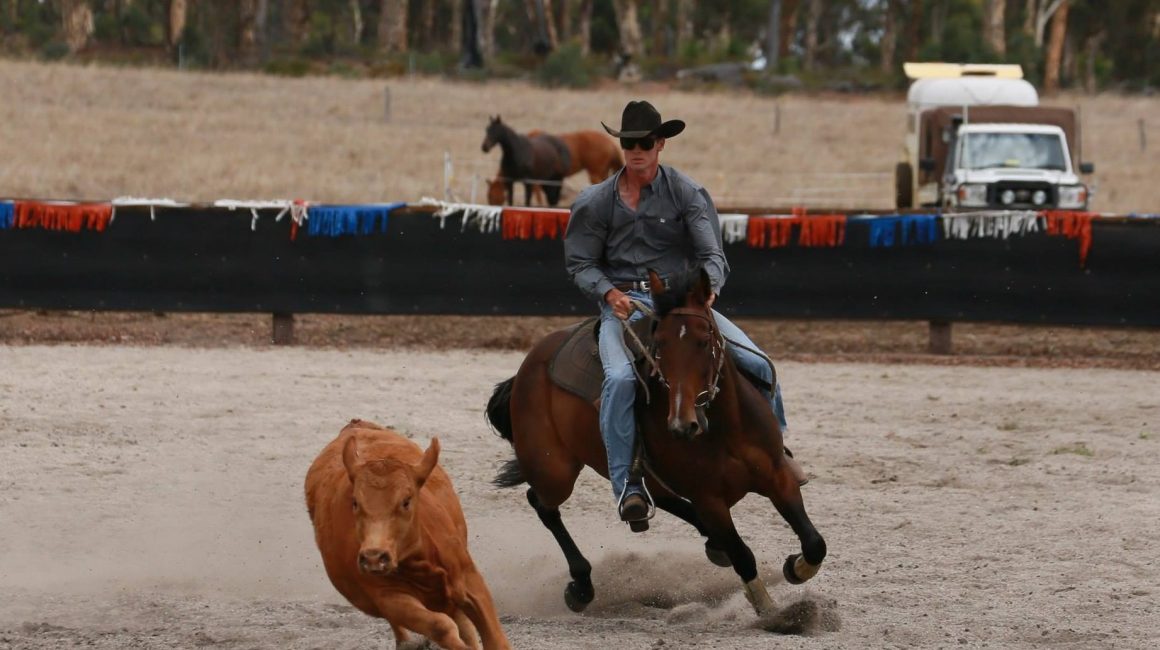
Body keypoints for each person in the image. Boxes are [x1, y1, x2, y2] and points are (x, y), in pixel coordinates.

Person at [563, 100, 808, 525]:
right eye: (628, 143)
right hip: (624, 308)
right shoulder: (594, 201)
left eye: (644, 142)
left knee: (759, 364)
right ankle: (628, 486)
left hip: (681, 306)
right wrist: (608, 293)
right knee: (620, 380)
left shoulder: (687, 193)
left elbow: (712, 253)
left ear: (660, 144)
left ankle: (777, 451)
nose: (636, 150)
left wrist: (708, 287)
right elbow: (580, 263)